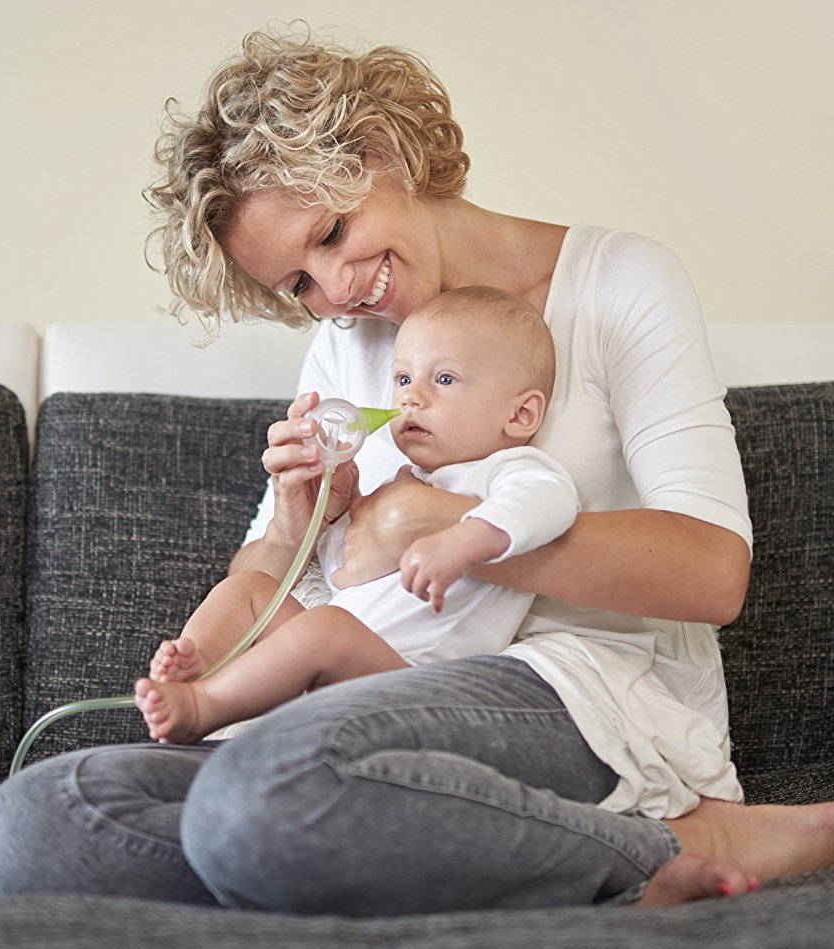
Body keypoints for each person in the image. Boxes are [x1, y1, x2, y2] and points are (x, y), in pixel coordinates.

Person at [0, 27, 834, 914]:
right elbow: (269, 579)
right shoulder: (349, 342)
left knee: (261, 793)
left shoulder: (617, 284)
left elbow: (712, 573)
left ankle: (678, 840)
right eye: (297, 283)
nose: (334, 291)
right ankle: (378, 848)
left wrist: (427, 525)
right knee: (39, 821)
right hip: (363, 692)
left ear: (385, 151)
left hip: (570, 686)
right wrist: (300, 520)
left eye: (332, 232)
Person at [136, 285, 580, 745]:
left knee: (324, 628)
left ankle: (203, 710)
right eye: (403, 379)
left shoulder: (507, 470)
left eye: (444, 380)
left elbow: (550, 503)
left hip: (419, 688)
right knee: (250, 590)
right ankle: (199, 667)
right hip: (345, 667)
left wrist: (463, 539)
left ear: (521, 414)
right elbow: (342, 578)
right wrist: (335, 517)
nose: (411, 398)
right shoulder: (408, 481)